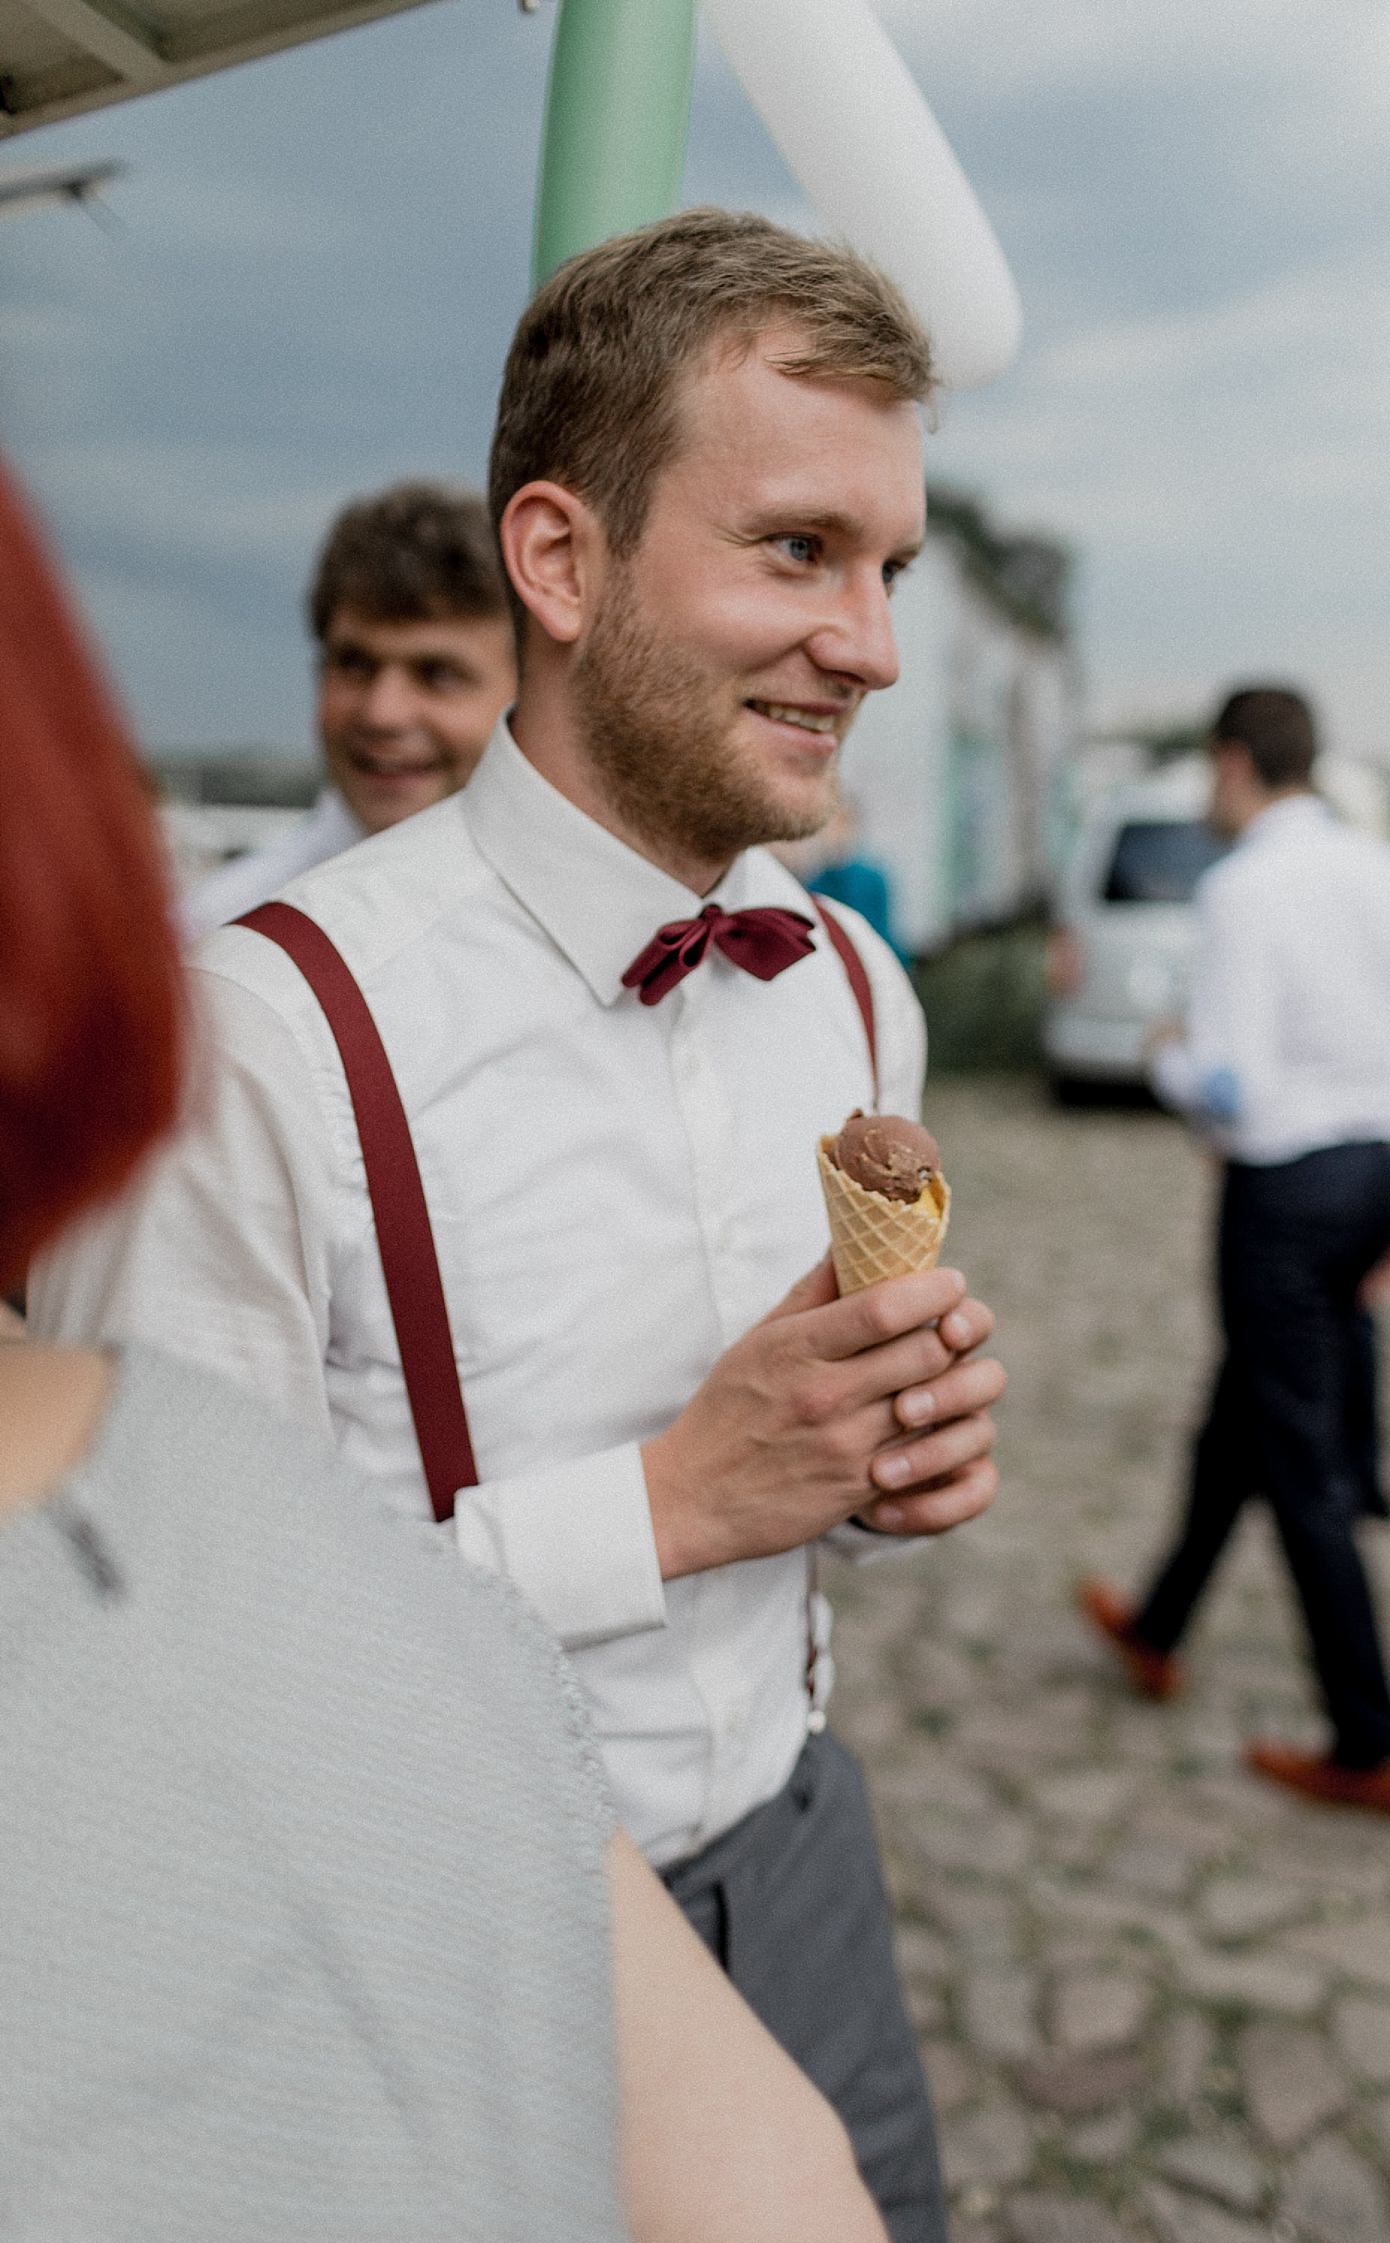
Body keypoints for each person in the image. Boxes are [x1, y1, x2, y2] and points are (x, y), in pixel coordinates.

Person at [29, 211, 1000, 2243]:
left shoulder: (849, 983)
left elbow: (789, 1472)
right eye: (797, 550)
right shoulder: (263, 1035)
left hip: (810, 1856)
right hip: (434, 1940)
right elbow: (154, 1679)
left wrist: (872, 1455)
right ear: (557, 559)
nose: (875, 644)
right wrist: (666, 1499)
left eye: (889, 566)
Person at [1077, 686, 1390, 1815]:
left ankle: (1371, 1739)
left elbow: (1234, 1086)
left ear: (1236, 761)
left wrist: (1166, 1058)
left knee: (1299, 1461)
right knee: (1246, 1405)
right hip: (1371, 1179)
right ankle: (1158, 1625)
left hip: (1283, 1192)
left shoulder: (1244, 887)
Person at [178, 479, 517, 937]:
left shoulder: (597, 933)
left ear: (526, 690)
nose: (382, 714)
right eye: (355, 665)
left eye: (437, 674)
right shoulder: (221, 933)